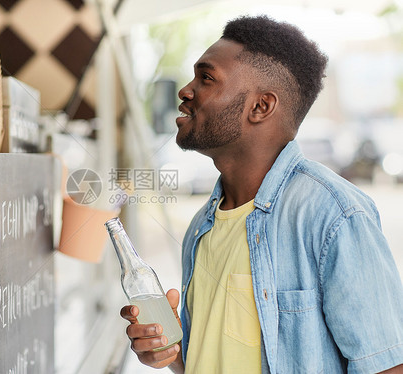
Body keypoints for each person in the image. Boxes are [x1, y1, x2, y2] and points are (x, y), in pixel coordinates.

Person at [120, 15, 403, 373]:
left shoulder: (332, 215)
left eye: (206, 78)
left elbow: (389, 366)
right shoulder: (201, 226)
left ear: (260, 107)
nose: (186, 90)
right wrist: (169, 350)